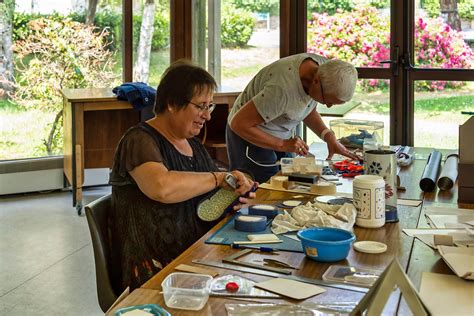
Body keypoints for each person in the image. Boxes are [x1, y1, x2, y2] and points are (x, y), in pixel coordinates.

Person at [109, 61, 255, 291]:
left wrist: (235, 195)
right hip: (156, 268)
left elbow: (208, 194)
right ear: (172, 104)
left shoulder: (193, 145)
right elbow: (162, 188)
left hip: (197, 253)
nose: (207, 116)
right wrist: (218, 178)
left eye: (210, 106)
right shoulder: (139, 140)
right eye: (200, 107)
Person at [226, 52, 360, 183]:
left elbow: (306, 107)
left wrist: (329, 137)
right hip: (250, 131)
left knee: (287, 183)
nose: (329, 106)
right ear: (316, 81)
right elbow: (238, 124)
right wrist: (282, 144)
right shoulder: (281, 90)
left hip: (280, 133)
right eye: (327, 101)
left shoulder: (325, 68)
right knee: (261, 191)